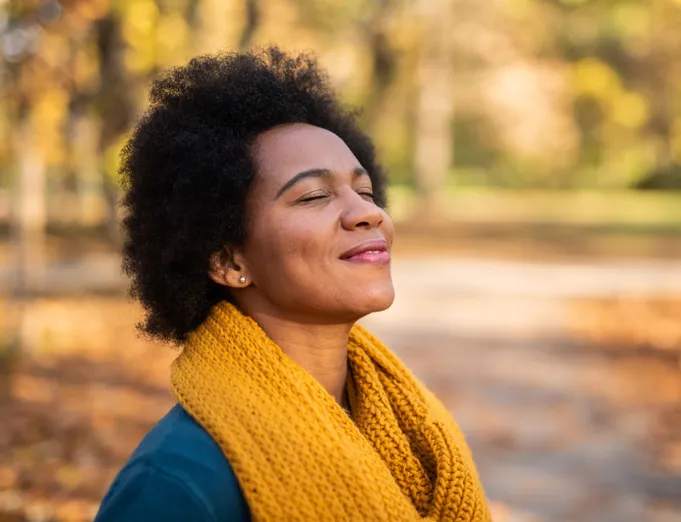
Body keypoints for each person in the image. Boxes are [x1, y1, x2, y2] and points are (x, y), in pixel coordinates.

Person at [95, 47, 491, 521]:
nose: (368, 212)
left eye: (364, 192)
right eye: (315, 195)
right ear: (226, 260)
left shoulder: (412, 431)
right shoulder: (178, 486)